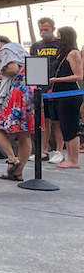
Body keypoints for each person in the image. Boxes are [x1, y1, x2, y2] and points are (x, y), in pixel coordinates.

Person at [0, 33, 35, 181]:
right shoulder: (20, 49)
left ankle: (11, 158)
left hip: (17, 93)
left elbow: (13, 69)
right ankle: (17, 172)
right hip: (30, 91)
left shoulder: (6, 49)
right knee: (24, 134)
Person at [30, 17, 63, 163]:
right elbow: (33, 66)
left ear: (53, 29)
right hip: (40, 89)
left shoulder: (61, 45)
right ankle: (43, 150)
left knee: (57, 120)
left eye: (46, 29)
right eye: (41, 29)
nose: (43, 32)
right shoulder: (36, 46)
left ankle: (59, 151)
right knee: (44, 120)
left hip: (57, 88)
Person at [51, 27, 83, 169]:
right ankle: (70, 158)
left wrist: (56, 80)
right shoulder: (63, 54)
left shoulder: (73, 53)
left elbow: (78, 76)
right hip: (61, 95)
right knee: (65, 126)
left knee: (71, 126)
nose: (57, 38)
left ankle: (73, 160)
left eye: (59, 35)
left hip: (70, 95)